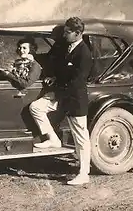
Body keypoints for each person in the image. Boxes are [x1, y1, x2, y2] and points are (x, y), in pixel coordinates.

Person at [29, 17, 93, 185]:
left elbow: (78, 80)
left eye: (67, 32)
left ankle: (84, 173)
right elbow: (62, 69)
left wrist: (57, 84)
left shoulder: (84, 53)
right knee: (36, 107)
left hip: (75, 100)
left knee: (81, 137)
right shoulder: (68, 47)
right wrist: (53, 77)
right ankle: (53, 139)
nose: (64, 35)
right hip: (63, 97)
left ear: (78, 33)